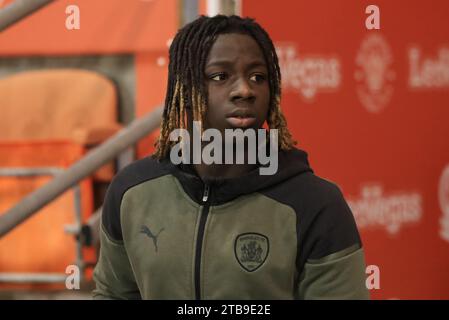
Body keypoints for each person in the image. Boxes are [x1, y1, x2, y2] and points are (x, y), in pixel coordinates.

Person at [92, 15, 369, 300]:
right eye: (220, 76)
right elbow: (113, 294)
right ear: (185, 91)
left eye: (257, 77)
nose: (245, 90)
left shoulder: (316, 203)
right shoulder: (132, 191)